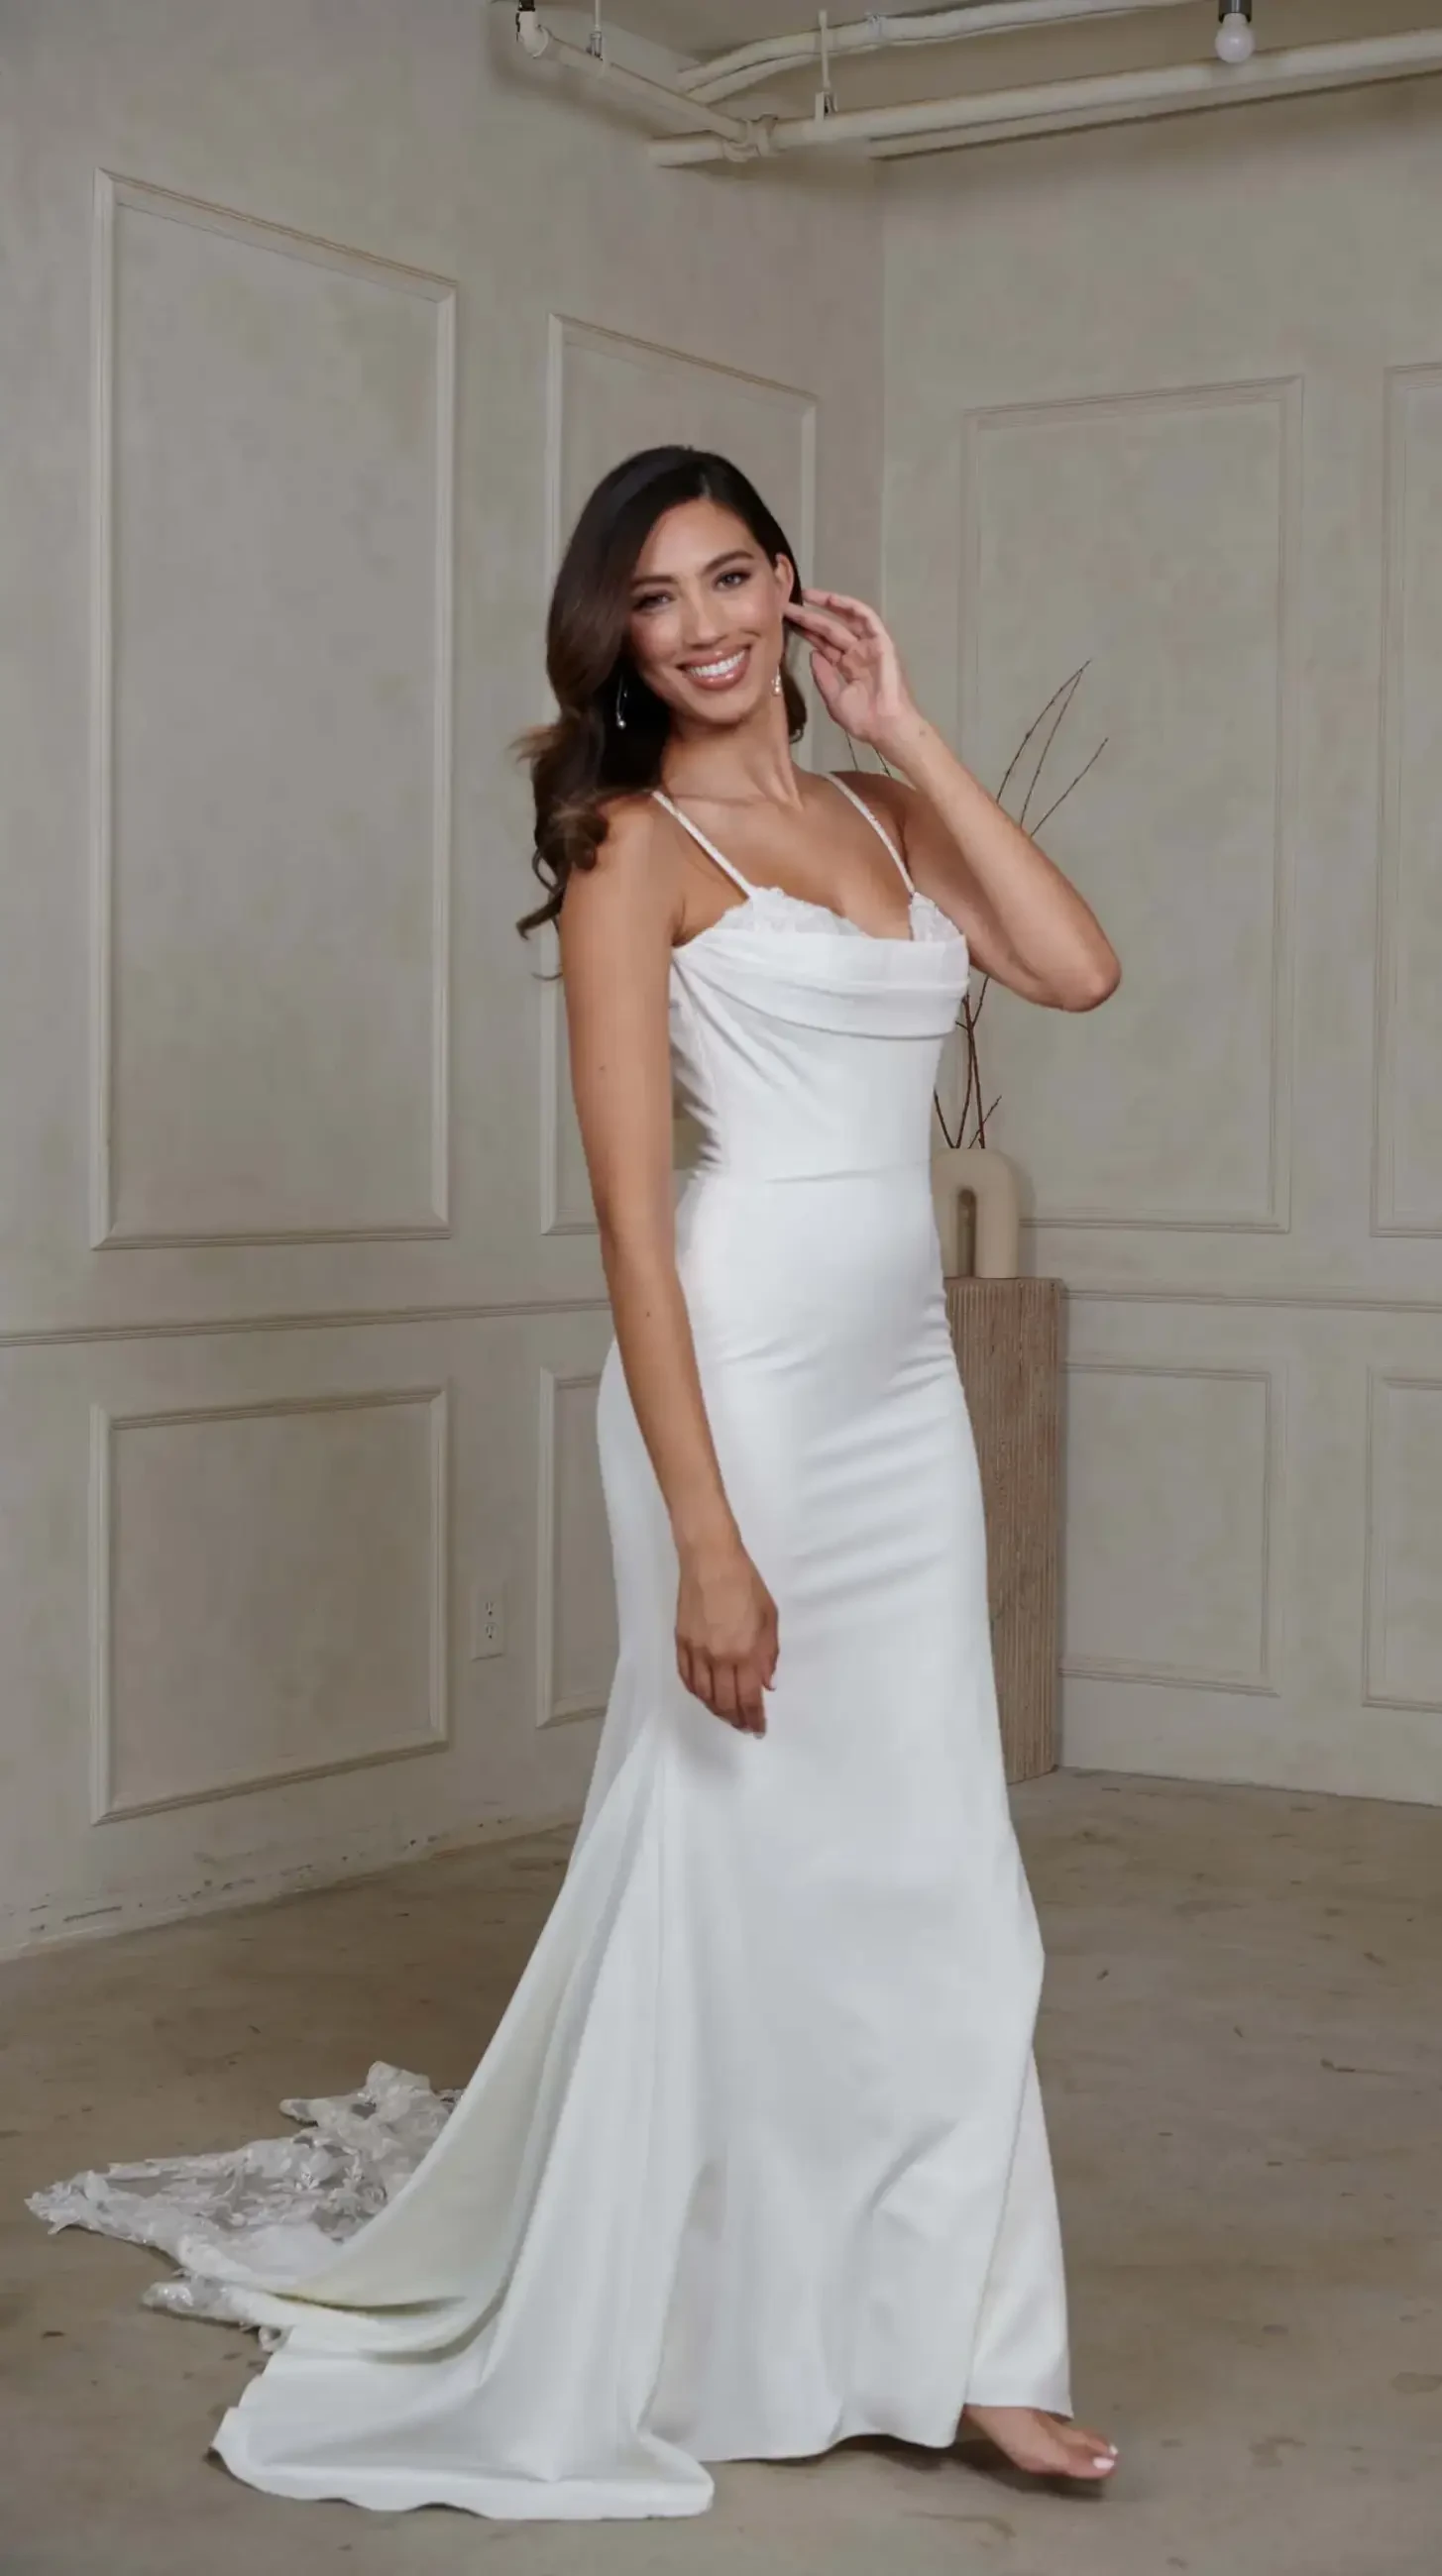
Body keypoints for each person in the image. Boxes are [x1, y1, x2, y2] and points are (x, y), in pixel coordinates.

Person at [88, 447, 1123, 2521]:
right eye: (656, 599)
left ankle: (970, 2343)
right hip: (734, 1386)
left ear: (791, 587)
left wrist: (910, 724)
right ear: (616, 641)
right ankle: (721, 2311)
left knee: (938, 1865)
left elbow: (1074, 967)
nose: (704, 625)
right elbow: (636, 1229)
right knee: (737, 1857)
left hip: (900, 1388)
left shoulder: (884, 811)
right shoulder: (628, 849)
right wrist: (707, 1538)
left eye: (732, 577)